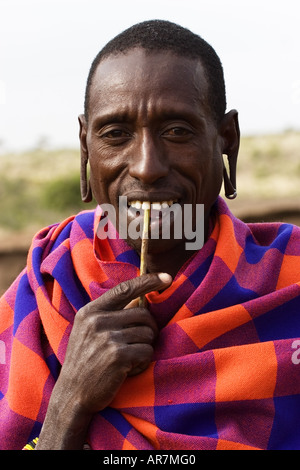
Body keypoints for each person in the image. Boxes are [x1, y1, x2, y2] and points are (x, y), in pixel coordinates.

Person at [0, 19, 300, 451]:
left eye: (177, 131)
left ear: (226, 142)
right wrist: (70, 403)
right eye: (115, 134)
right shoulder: (48, 284)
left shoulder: (288, 280)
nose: (146, 166)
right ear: (86, 150)